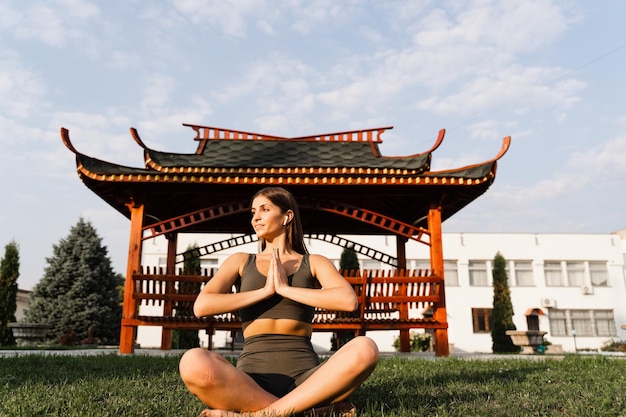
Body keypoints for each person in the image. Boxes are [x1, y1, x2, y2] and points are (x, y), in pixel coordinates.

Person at [179, 187, 379, 417]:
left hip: (309, 380)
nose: (256, 217)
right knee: (193, 361)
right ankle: (308, 411)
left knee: (365, 348)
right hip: (251, 382)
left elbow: (347, 301)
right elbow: (202, 306)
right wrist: (265, 291)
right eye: (253, 211)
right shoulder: (241, 261)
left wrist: (286, 289)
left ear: (287, 216)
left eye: (265, 209)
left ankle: (260, 414)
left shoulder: (313, 262)